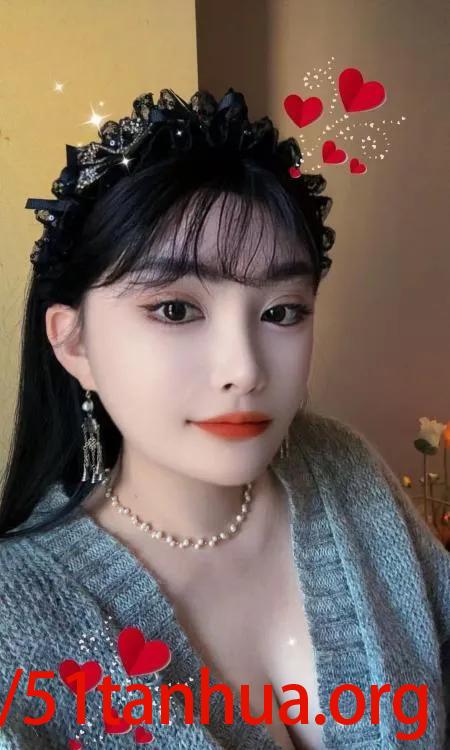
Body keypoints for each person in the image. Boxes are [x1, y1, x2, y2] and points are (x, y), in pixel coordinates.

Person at [0, 87, 448, 750]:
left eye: (282, 312)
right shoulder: (15, 626)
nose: (245, 370)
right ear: (74, 343)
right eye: (175, 310)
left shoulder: (341, 465)